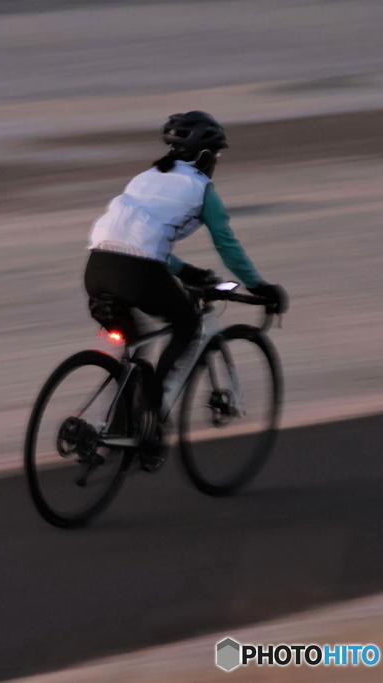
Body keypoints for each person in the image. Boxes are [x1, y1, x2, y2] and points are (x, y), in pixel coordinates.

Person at [83, 111, 288, 454]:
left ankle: (120, 427)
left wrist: (184, 270)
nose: (217, 162)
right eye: (217, 156)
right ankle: (150, 419)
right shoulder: (200, 187)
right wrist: (259, 286)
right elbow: (227, 245)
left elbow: (139, 238)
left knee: (137, 345)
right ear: (205, 156)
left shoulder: (145, 178)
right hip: (137, 271)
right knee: (187, 324)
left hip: (97, 267)